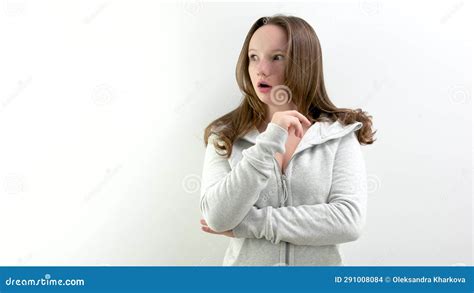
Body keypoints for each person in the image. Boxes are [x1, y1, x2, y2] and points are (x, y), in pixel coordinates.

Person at [199, 14, 376, 266]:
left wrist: (247, 224)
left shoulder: (339, 135)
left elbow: (348, 221)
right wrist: (271, 138)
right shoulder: (225, 137)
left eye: (277, 57)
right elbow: (217, 216)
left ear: (304, 64)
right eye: (253, 57)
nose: (261, 69)